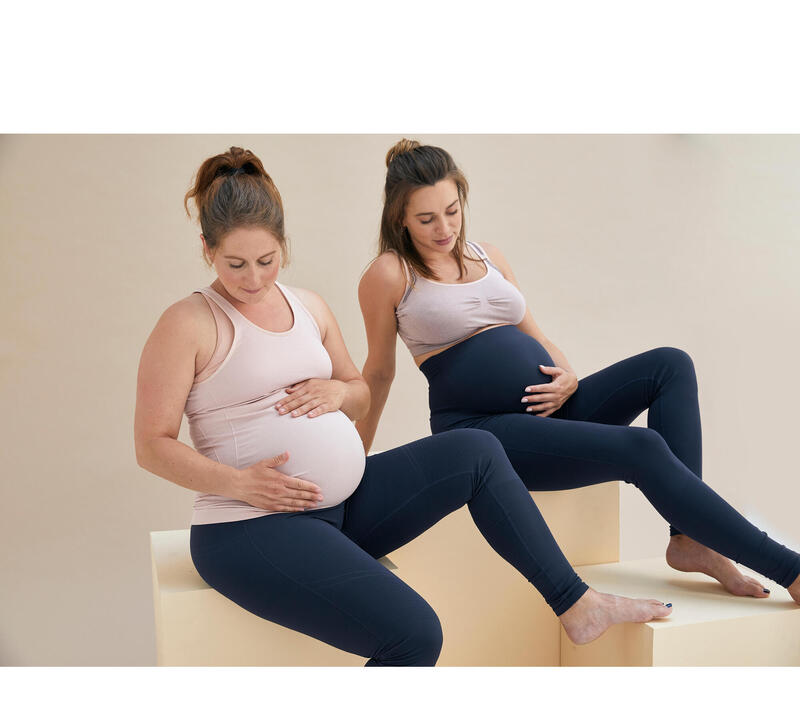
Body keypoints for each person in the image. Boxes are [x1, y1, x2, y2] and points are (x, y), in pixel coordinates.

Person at [134, 146, 676, 666]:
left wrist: (339, 393)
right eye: (235, 264)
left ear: (284, 246)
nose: (253, 279)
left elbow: (360, 389)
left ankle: (576, 604)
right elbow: (151, 445)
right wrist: (238, 484)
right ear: (207, 248)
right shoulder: (187, 323)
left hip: (340, 510)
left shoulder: (309, 307)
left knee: (477, 451)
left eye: (266, 260)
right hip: (250, 525)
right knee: (416, 635)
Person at [357, 138, 800, 607]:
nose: (443, 227)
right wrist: (355, 465)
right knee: (642, 447)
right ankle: (789, 569)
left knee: (671, 364)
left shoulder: (487, 256)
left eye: (451, 210)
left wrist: (566, 375)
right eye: (426, 219)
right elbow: (379, 373)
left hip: (554, 411)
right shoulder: (390, 274)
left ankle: (688, 539)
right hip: (488, 431)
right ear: (400, 218)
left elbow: (537, 335)